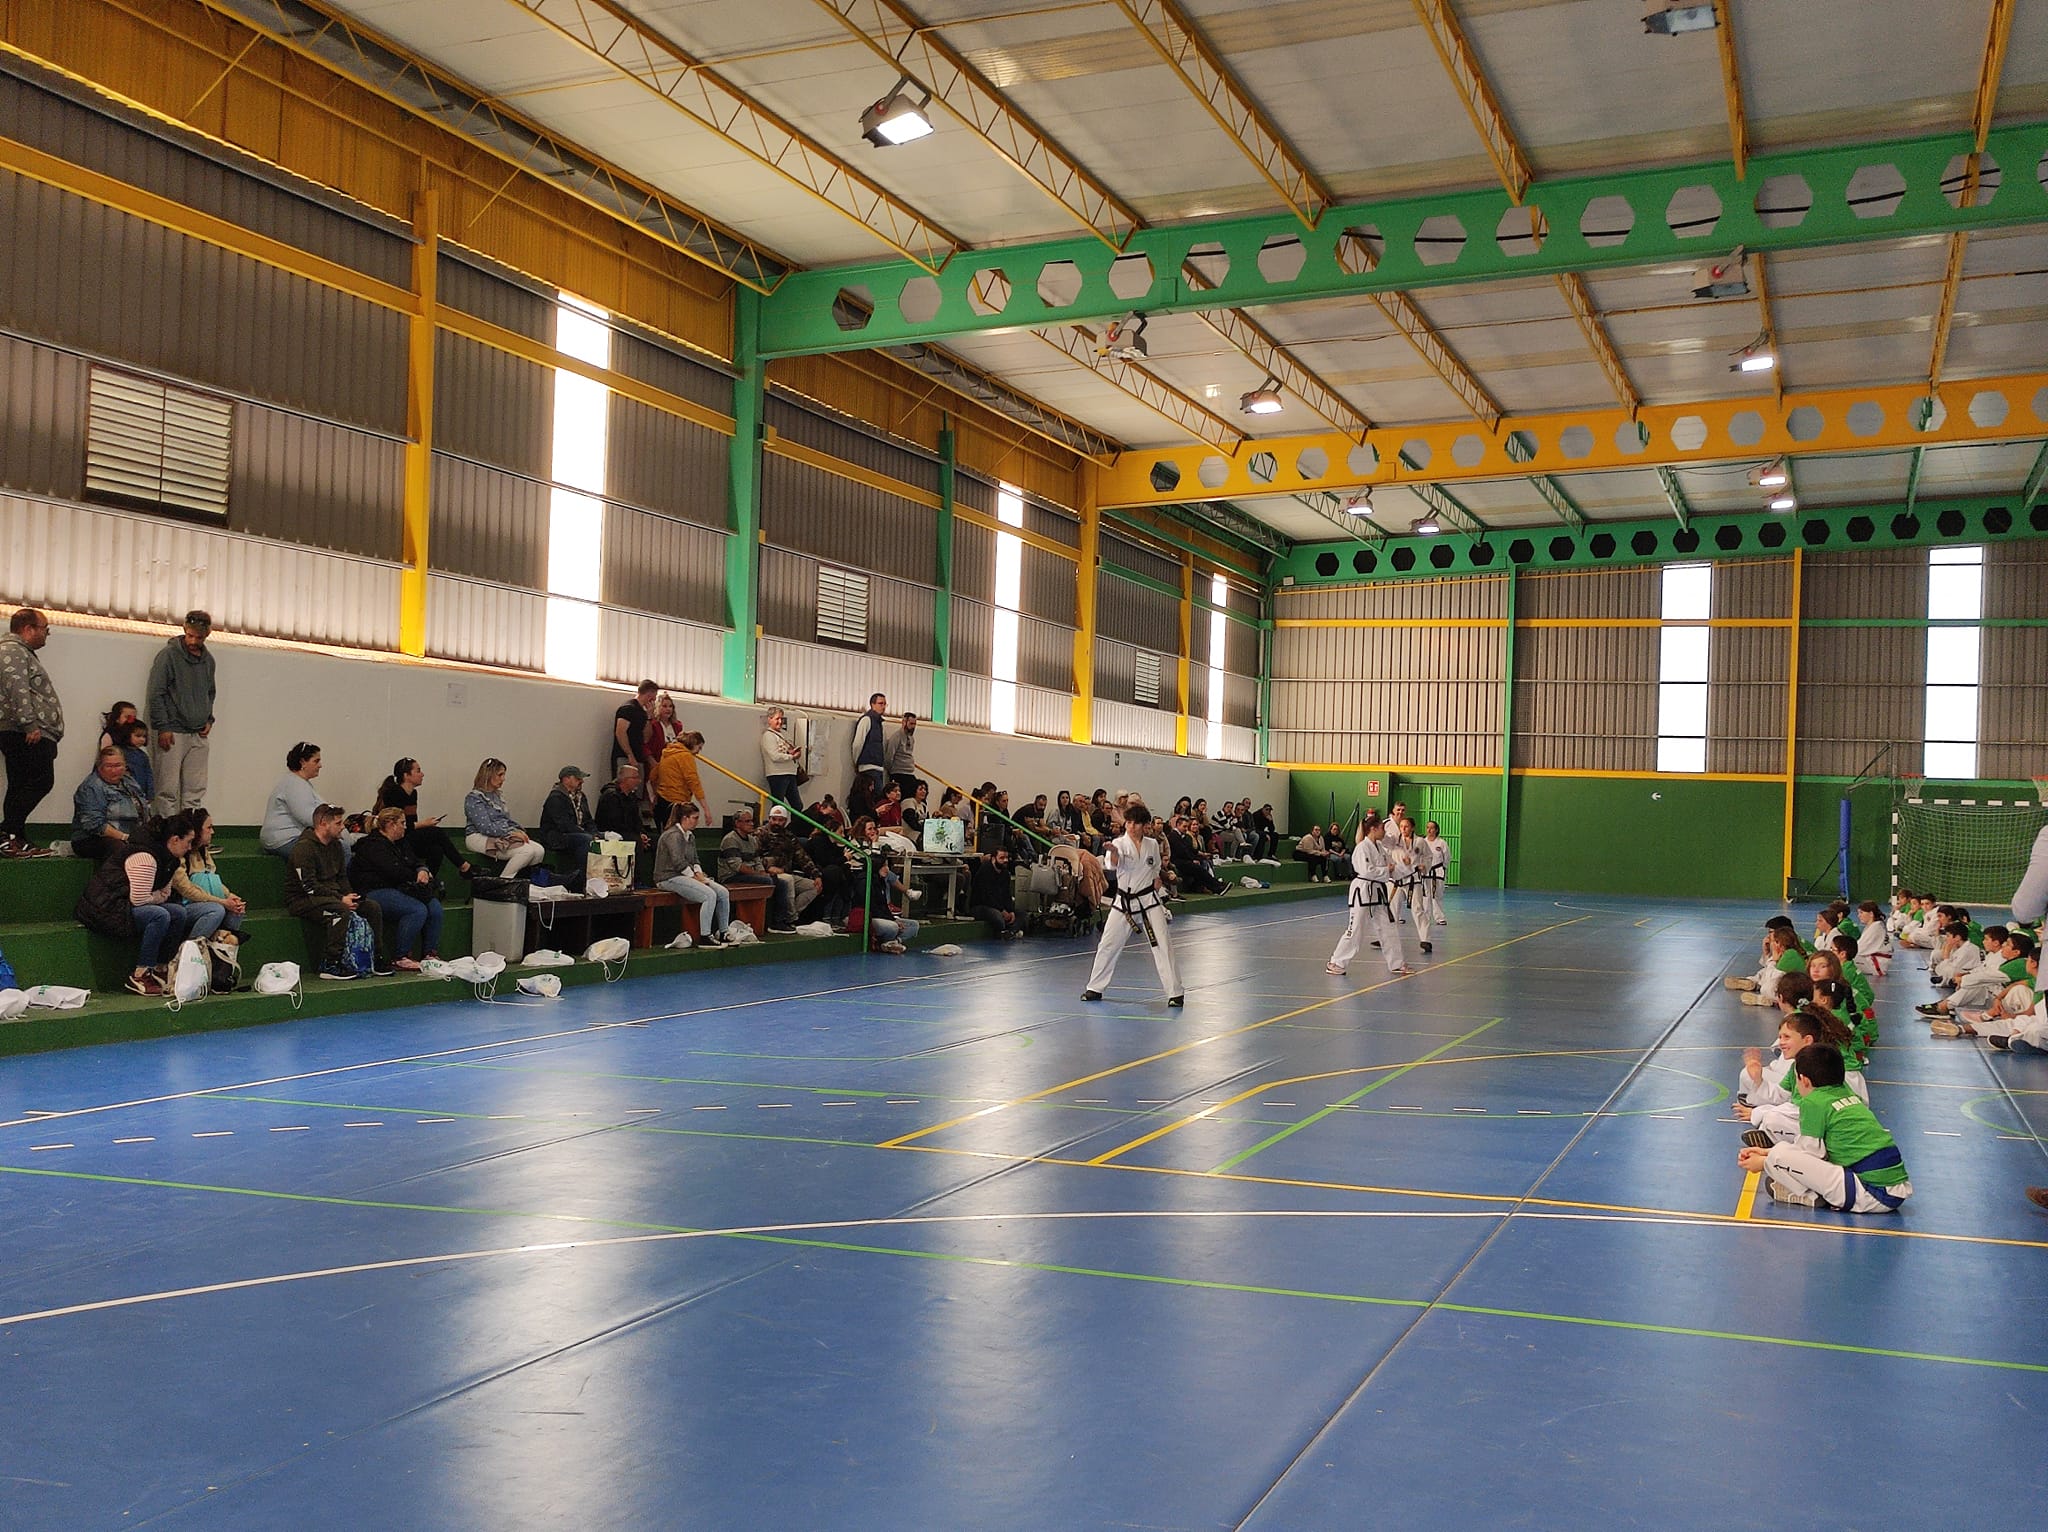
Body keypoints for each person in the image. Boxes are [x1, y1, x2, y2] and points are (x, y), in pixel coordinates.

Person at [1737, 1044, 1911, 1213]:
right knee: (1780, 1151)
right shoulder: (1847, 1093)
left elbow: (1809, 1155)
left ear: (1803, 1080)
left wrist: (1764, 1163)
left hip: (1871, 1193)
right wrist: (1766, 1151)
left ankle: (1810, 1195)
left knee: (1780, 1155)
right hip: (1891, 1189)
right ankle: (1812, 1192)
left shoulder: (1814, 1102)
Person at [73, 811, 200, 996]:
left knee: (179, 912)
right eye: (188, 842)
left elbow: (164, 894)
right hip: (104, 908)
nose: (190, 847)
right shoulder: (146, 857)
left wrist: (155, 896)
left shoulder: (171, 860)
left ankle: (161, 968)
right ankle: (140, 973)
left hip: (125, 905)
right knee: (160, 915)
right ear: (174, 840)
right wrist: (156, 896)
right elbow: (139, 899)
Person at [1081, 802, 1182, 1007]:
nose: (1131, 826)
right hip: (1124, 902)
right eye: (1128, 822)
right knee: (1108, 944)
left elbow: (1153, 868)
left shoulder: (1152, 844)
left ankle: (1175, 992)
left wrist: (1159, 878)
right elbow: (1113, 864)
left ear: (1145, 825)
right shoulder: (1118, 843)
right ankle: (1094, 988)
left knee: (1163, 943)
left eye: (1136, 823)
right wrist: (1112, 852)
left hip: (1149, 902)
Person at [286, 802, 390, 981]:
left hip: (331, 896)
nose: (343, 827)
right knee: (339, 912)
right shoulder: (303, 849)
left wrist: (350, 896)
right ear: (323, 824)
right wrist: (341, 899)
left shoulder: (337, 847)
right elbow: (309, 886)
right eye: (338, 823)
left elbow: (341, 878)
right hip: (304, 900)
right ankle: (330, 963)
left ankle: (376, 958)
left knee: (371, 907)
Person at [0, 607, 63, 858]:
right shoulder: (13, 651)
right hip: (25, 731)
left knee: (18, 784)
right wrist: (30, 724)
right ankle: (7, 833)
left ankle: (17, 838)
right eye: (45, 629)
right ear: (28, 629)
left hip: (23, 729)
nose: (47, 635)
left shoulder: (19, 653)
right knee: (41, 780)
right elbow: (17, 689)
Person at [349, 807, 441, 968]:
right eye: (402, 823)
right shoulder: (372, 845)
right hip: (374, 890)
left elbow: (414, 861)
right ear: (391, 825)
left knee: (435, 908)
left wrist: (422, 869)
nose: (405, 827)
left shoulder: (400, 843)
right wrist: (416, 876)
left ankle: (429, 953)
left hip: (399, 887)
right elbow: (393, 871)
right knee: (416, 909)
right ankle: (401, 956)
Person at [146, 609, 216, 815]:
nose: (193, 641)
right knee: (167, 790)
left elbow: (210, 693)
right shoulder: (167, 656)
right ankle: (168, 838)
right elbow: (156, 693)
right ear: (184, 629)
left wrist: (209, 719)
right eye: (190, 635)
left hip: (198, 733)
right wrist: (163, 727)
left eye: (199, 637)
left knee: (194, 792)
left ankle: (191, 838)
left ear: (208, 634)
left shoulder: (209, 661)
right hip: (173, 731)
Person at [1326, 811, 1407, 978]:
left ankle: (1397, 964)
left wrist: (1410, 868)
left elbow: (1392, 868)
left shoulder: (1380, 848)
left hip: (1377, 892)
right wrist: (1387, 870)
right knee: (1356, 929)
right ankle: (1336, 962)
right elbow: (1367, 871)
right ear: (1373, 829)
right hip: (1362, 891)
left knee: (1388, 927)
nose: (1384, 832)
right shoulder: (1362, 848)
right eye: (1382, 829)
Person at [373, 758, 472, 878]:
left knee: (436, 849)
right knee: (436, 832)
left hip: (408, 835)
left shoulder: (413, 794)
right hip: (397, 837)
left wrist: (423, 825)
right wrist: (423, 824)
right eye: (418, 771)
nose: (422, 774)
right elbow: (397, 825)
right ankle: (464, 866)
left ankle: (427, 881)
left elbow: (411, 823)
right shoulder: (394, 793)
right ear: (406, 775)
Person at [655, 802, 732, 943]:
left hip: (685, 876)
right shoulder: (673, 835)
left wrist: (700, 874)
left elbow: (695, 859)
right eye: (695, 818)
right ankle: (705, 936)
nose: (697, 821)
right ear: (685, 818)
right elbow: (678, 862)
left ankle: (723, 932)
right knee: (709, 895)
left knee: (723, 892)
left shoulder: (690, 836)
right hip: (668, 877)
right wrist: (695, 878)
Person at [171, 807, 245, 941]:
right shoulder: (179, 855)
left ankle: (222, 952)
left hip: (205, 901)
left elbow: (213, 880)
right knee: (216, 910)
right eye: (209, 828)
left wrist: (231, 897)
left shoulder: (203, 852)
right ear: (198, 830)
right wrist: (222, 901)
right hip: (181, 905)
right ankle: (191, 951)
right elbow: (187, 890)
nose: (213, 831)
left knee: (236, 910)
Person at [464, 758, 546, 877]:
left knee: (539, 850)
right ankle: (503, 884)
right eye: (500, 774)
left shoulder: (497, 796)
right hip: (477, 836)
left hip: (500, 834)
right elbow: (485, 827)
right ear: (488, 775)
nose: (503, 779)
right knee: (526, 851)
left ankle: (525, 884)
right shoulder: (474, 798)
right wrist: (511, 833)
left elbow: (506, 820)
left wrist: (518, 830)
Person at [69, 746, 149, 864]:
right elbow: (94, 824)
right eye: (109, 766)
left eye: (118, 765)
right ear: (99, 767)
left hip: (130, 834)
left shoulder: (130, 782)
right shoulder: (91, 787)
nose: (114, 770)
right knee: (121, 849)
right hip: (93, 839)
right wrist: (124, 837)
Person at [760, 803, 823, 929]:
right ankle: (789, 919)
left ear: (785, 821)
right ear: (769, 818)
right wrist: (768, 867)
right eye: (774, 819)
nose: (776, 822)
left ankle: (791, 916)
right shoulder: (760, 834)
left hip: (786, 872)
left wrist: (816, 875)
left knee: (813, 887)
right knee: (787, 880)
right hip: (767, 873)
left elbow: (802, 857)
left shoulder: (789, 837)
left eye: (780, 820)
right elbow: (754, 857)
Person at [717, 807, 784, 927]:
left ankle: (777, 920)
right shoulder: (730, 840)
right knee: (768, 880)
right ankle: (774, 922)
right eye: (747, 821)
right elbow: (737, 867)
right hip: (731, 876)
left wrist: (762, 871)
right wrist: (759, 874)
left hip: (748, 874)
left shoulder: (752, 840)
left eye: (752, 821)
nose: (751, 824)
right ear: (737, 823)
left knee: (779, 881)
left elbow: (757, 860)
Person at [260, 742, 331, 857]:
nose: (320, 765)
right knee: (338, 849)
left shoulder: (298, 782)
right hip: (285, 840)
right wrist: (332, 826)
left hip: (285, 838)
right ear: (302, 762)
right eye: (316, 761)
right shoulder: (295, 784)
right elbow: (309, 818)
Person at [595, 762, 653, 885]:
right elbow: (613, 822)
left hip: (629, 831)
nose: (639, 781)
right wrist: (637, 835)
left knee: (656, 841)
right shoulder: (610, 796)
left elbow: (636, 820)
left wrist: (642, 833)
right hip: (611, 832)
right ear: (625, 780)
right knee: (634, 841)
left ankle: (655, 879)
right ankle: (635, 881)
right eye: (635, 777)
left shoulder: (631, 797)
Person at [537, 766, 595, 880]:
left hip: (576, 833)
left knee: (606, 838)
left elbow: (588, 820)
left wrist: (596, 833)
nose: (582, 781)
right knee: (585, 839)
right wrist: (589, 835)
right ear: (566, 779)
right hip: (556, 836)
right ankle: (581, 879)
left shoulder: (581, 797)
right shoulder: (556, 797)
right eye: (578, 779)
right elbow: (564, 825)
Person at [652, 731, 707, 826]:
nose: (699, 751)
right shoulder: (686, 756)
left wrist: (655, 794)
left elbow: (653, 776)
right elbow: (694, 781)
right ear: (693, 744)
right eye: (699, 747)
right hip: (677, 802)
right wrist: (706, 808)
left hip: (662, 800)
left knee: (666, 834)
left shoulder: (667, 753)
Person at [968, 844, 1021, 940]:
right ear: (993, 859)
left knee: (1022, 914)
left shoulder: (1005, 873)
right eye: (1002, 858)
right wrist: (1002, 910)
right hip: (981, 906)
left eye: (1006, 858)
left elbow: (1007, 894)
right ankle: (1004, 931)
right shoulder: (985, 871)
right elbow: (986, 897)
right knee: (997, 916)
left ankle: (1011, 931)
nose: (1005, 860)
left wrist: (1010, 911)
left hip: (999, 907)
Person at [759, 706, 803, 812]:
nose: (780, 721)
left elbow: (784, 751)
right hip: (777, 774)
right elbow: (774, 756)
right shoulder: (768, 736)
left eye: (781, 719)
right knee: (779, 805)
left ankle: (793, 827)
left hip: (790, 773)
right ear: (769, 719)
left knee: (797, 805)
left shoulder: (784, 734)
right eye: (777, 719)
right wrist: (791, 756)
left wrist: (793, 752)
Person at [612, 679, 657, 781]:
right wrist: (629, 755)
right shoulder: (628, 708)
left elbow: (646, 738)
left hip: (638, 756)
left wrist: (649, 717)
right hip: (624, 756)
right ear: (649, 696)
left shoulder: (642, 713)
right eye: (653, 699)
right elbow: (620, 732)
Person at [851, 691, 889, 798]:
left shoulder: (880, 723)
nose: (884, 707)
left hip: (878, 767)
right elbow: (858, 743)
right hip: (868, 767)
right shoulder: (866, 720)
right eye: (880, 703)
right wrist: (856, 761)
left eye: (885, 704)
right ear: (872, 704)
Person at [641, 691, 683, 788]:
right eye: (664, 706)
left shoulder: (678, 726)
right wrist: (652, 762)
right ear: (658, 707)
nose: (668, 709)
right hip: (656, 764)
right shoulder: (652, 724)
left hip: (672, 767)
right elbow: (644, 744)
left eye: (670, 706)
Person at [114, 718, 155, 807]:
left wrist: (150, 793)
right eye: (138, 736)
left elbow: (149, 774)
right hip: (126, 794)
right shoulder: (119, 753)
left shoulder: (143, 755)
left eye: (144, 736)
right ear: (127, 734)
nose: (141, 739)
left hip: (142, 793)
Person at [885, 710, 919, 800]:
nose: (913, 727)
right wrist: (891, 771)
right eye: (911, 724)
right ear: (904, 722)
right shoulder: (896, 737)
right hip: (899, 773)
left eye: (915, 724)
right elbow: (889, 756)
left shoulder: (911, 738)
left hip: (909, 773)